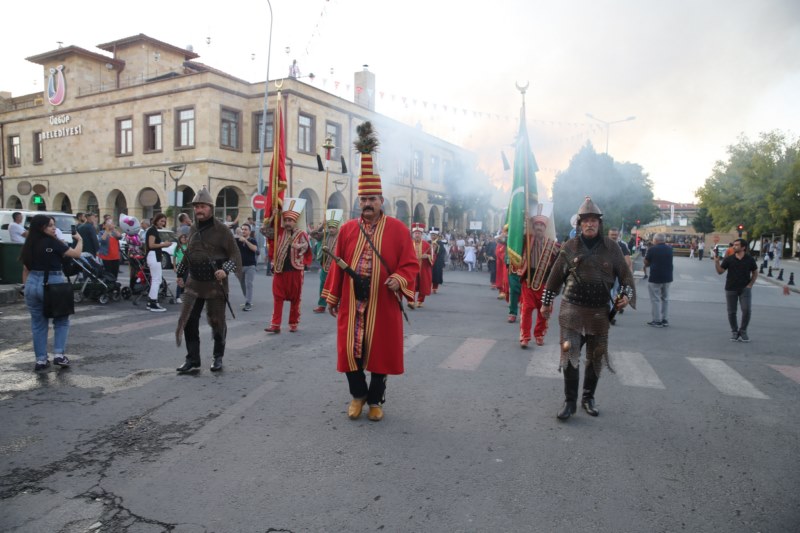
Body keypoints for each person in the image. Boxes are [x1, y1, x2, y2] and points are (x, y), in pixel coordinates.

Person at [322, 121, 419, 422]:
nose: (367, 204)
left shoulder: (399, 230)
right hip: (352, 303)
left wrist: (398, 279)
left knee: (380, 353)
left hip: (382, 301)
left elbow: (411, 263)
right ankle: (357, 395)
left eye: (372, 200)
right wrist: (331, 296)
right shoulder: (348, 229)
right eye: (363, 199)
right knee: (349, 351)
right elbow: (338, 264)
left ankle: (376, 400)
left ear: (381, 202)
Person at [541, 197, 635, 421]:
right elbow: (553, 279)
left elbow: (626, 278)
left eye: (594, 220)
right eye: (586, 221)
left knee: (596, 357)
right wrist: (546, 303)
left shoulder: (611, 248)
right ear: (580, 224)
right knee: (570, 353)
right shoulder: (570, 247)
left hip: (598, 313)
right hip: (572, 310)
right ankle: (570, 402)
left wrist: (626, 297)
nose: (590, 224)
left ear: (599, 224)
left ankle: (588, 398)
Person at [175, 187, 242, 372]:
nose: (199, 210)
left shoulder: (222, 230)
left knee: (217, 321)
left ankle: (217, 356)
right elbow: (189, 253)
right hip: (194, 282)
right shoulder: (194, 228)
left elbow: (235, 256)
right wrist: (180, 273)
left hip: (215, 284)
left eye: (202, 206)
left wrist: (225, 270)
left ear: (211, 208)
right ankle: (193, 359)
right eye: (196, 206)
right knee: (188, 320)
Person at [21, 215, 84, 371]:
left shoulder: (30, 243)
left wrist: (26, 287)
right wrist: (80, 240)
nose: (54, 228)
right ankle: (59, 355)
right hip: (52, 282)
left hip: (32, 283)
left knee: (38, 324)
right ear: (42, 227)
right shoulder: (54, 242)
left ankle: (41, 360)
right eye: (50, 225)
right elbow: (76, 254)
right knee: (61, 320)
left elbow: (25, 269)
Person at [264, 202, 312, 333]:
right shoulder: (278, 232)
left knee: (295, 299)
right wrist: (273, 217)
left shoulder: (301, 233)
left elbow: (307, 247)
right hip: (280, 270)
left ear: (295, 221)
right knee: (277, 297)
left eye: (290, 220)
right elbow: (265, 231)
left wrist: (300, 247)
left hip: (295, 271)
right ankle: (275, 325)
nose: (287, 223)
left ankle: (293, 323)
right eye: (285, 220)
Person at [518, 211, 559, 348]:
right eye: (536, 225)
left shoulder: (552, 245)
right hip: (528, 281)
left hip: (545, 282)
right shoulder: (527, 240)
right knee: (527, 309)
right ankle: (525, 337)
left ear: (545, 228)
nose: (539, 227)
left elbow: (560, 261)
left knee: (545, 311)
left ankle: (539, 334)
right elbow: (515, 236)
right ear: (533, 227)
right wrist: (524, 219)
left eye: (542, 225)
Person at [714, 238, 757, 342]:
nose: (734, 246)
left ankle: (743, 331)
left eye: (737, 245)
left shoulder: (749, 259)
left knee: (746, 310)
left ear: (743, 247)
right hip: (730, 288)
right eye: (734, 245)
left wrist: (750, 285)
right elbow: (720, 272)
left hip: (744, 289)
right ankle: (734, 332)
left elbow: (755, 273)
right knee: (731, 312)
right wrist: (717, 262)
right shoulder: (729, 259)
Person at [310, 212, 342, 313]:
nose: (331, 229)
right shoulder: (325, 234)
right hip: (325, 264)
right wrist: (322, 226)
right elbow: (313, 234)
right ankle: (321, 305)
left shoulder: (342, 236)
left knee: (338, 286)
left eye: (334, 227)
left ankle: (338, 305)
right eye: (330, 227)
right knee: (323, 285)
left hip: (337, 266)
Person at [644, 233, 674, 327]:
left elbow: (647, 263)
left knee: (655, 299)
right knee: (665, 299)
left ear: (656, 240)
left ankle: (657, 320)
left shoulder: (652, 249)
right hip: (668, 277)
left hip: (655, 278)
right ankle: (665, 320)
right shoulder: (670, 249)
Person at [145, 213, 170, 312]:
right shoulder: (152, 230)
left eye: (164, 221)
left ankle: (151, 301)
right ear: (156, 220)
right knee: (156, 280)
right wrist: (164, 244)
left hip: (154, 256)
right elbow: (151, 245)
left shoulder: (153, 230)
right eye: (161, 221)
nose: (163, 223)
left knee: (156, 279)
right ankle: (153, 303)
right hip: (153, 256)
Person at [607, 227, 632, 322]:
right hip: (605, 273)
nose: (614, 236)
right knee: (609, 292)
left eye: (615, 235)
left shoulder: (622, 245)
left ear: (618, 235)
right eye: (612, 235)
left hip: (617, 274)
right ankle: (610, 313)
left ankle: (612, 310)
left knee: (614, 292)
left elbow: (628, 260)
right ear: (608, 235)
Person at [408, 222, 433, 308]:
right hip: (412, 268)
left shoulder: (427, 245)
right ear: (413, 234)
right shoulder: (409, 244)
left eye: (419, 233)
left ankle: (420, 301)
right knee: (412, 284)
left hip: (423, 268)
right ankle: (411, 301)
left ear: (421, 234)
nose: (417, 235)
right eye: (416, 233)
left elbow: (432, 256)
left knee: (423, 284)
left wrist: (428, 256)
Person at [236, 223, 259, 311]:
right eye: (242, 229)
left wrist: (245, 241)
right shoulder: (238, 240)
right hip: (240, 266)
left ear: (249, 231)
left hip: (250, 266)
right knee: (242, 284)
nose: (243, 231)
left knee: (249, 283)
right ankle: (247, 299)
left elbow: (254, 249)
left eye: (245, 229)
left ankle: (248, 302)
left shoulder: (252, 240)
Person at [430, 227, 446, 293]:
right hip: (429, 260)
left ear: (437, 235)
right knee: (428, 274)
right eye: (432, 235)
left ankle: (434, 288)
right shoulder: (428, 242)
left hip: (437, 261)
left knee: (436, 274)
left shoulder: (440, 243)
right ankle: (427, 287)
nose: (433, 236)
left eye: (434, 235)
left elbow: (443, 252)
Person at [173, 233, 188, 303]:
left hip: (187, 265)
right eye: (182, 237)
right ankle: (177, 296)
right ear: (180, 239)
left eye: (185, 237)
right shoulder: (178, 247)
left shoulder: (188, 246)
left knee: (186, 280)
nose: (184, 239)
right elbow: (174, 257)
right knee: (180, 280)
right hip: (180, 264)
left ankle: (184, 294)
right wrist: (174, 266)